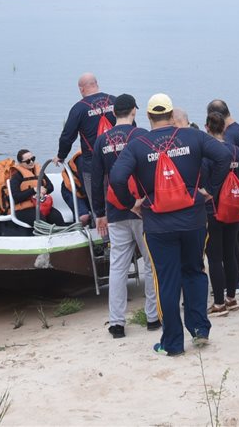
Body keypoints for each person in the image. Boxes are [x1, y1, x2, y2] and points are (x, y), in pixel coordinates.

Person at [109, 93, 231, 357]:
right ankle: (199, 330)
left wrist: (131, 203)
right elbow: (224, 155)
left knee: (166, 280)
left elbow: (117, 177)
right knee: (195, 271)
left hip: (158, 224)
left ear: (149, 117)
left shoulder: (137, 144)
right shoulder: (193, 136)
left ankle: (173, 343)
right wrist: (210, 189)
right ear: (171, 114)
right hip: (194, 220)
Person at [87, 94, 160, 338]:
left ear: (113, 113)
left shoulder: (101, 141)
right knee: (150, 263)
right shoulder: (140, 136)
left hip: (115, 209)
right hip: (141, 208)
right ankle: (152, 317)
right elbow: (151, 170)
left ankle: (116, 323)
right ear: (134, 112)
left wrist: (99, 213)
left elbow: (96, 179)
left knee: (118, 266)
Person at [57, 73, 116, 226]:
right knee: (119, 201)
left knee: (98, 205)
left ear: (81, 89)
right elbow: (130, 126)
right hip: (118, 162)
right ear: (97, 84)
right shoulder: (114, 101)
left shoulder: (79, 108)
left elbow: (67, 136)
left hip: (93, 165)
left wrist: (61, 156)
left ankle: (103, 243)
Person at [207, 99, 239, 291]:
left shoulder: (229, 136)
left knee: (230, 244)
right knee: (237, 240)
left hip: (228, 198)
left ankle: (236, 280)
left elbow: (223, 167)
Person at [204, 110, 239, 316]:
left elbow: (205, 183)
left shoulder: (207, 153)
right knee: (230, 253)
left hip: (215, 210)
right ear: (225, 128)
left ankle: (219, 303)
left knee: (214, 256)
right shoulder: (237, 151)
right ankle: (232, 298)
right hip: (235, 207)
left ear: (207, 128)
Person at [5, 149, 62, 235]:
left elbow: (51, 187)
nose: (31, 162)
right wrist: (33, 190)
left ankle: (64, 238)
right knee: (40, 218)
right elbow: (16, 197)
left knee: (56, 216)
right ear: (20, 163)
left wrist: (44, 190)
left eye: (33, 159)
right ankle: (44, 241)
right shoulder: (16, 177)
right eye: (27, 161)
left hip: (40, 205)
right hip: (23, 210)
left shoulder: (39, 171)